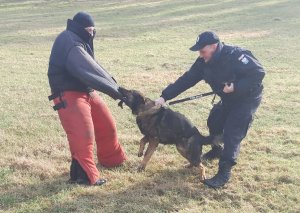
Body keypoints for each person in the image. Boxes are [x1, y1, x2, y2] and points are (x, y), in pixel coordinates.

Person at [155, 31, 265, 188]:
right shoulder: (203, 62)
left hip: (247, 98)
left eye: (202, 51)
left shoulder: (235, 55)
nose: (200, 55)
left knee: (232, 132)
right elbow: (187, 79)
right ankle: (216, 149)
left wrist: (236, 87)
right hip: (228, 98)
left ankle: (224, 173)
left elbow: (258, 73)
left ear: (214, 46)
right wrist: (164, 96)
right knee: (214, 120)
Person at [47, 12, 127, 186]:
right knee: (83, 135)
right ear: (80, 28)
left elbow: (95, 67)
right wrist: (116, 92)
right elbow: (89, 72)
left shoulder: (80, 38)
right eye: (88, 30)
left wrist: (118, 88)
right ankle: (84, 176)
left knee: (107, 125)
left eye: (93, 30)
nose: (91, 33)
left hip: (86, 90)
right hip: (67, 92)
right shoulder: (71, 42)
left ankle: (113, 160)